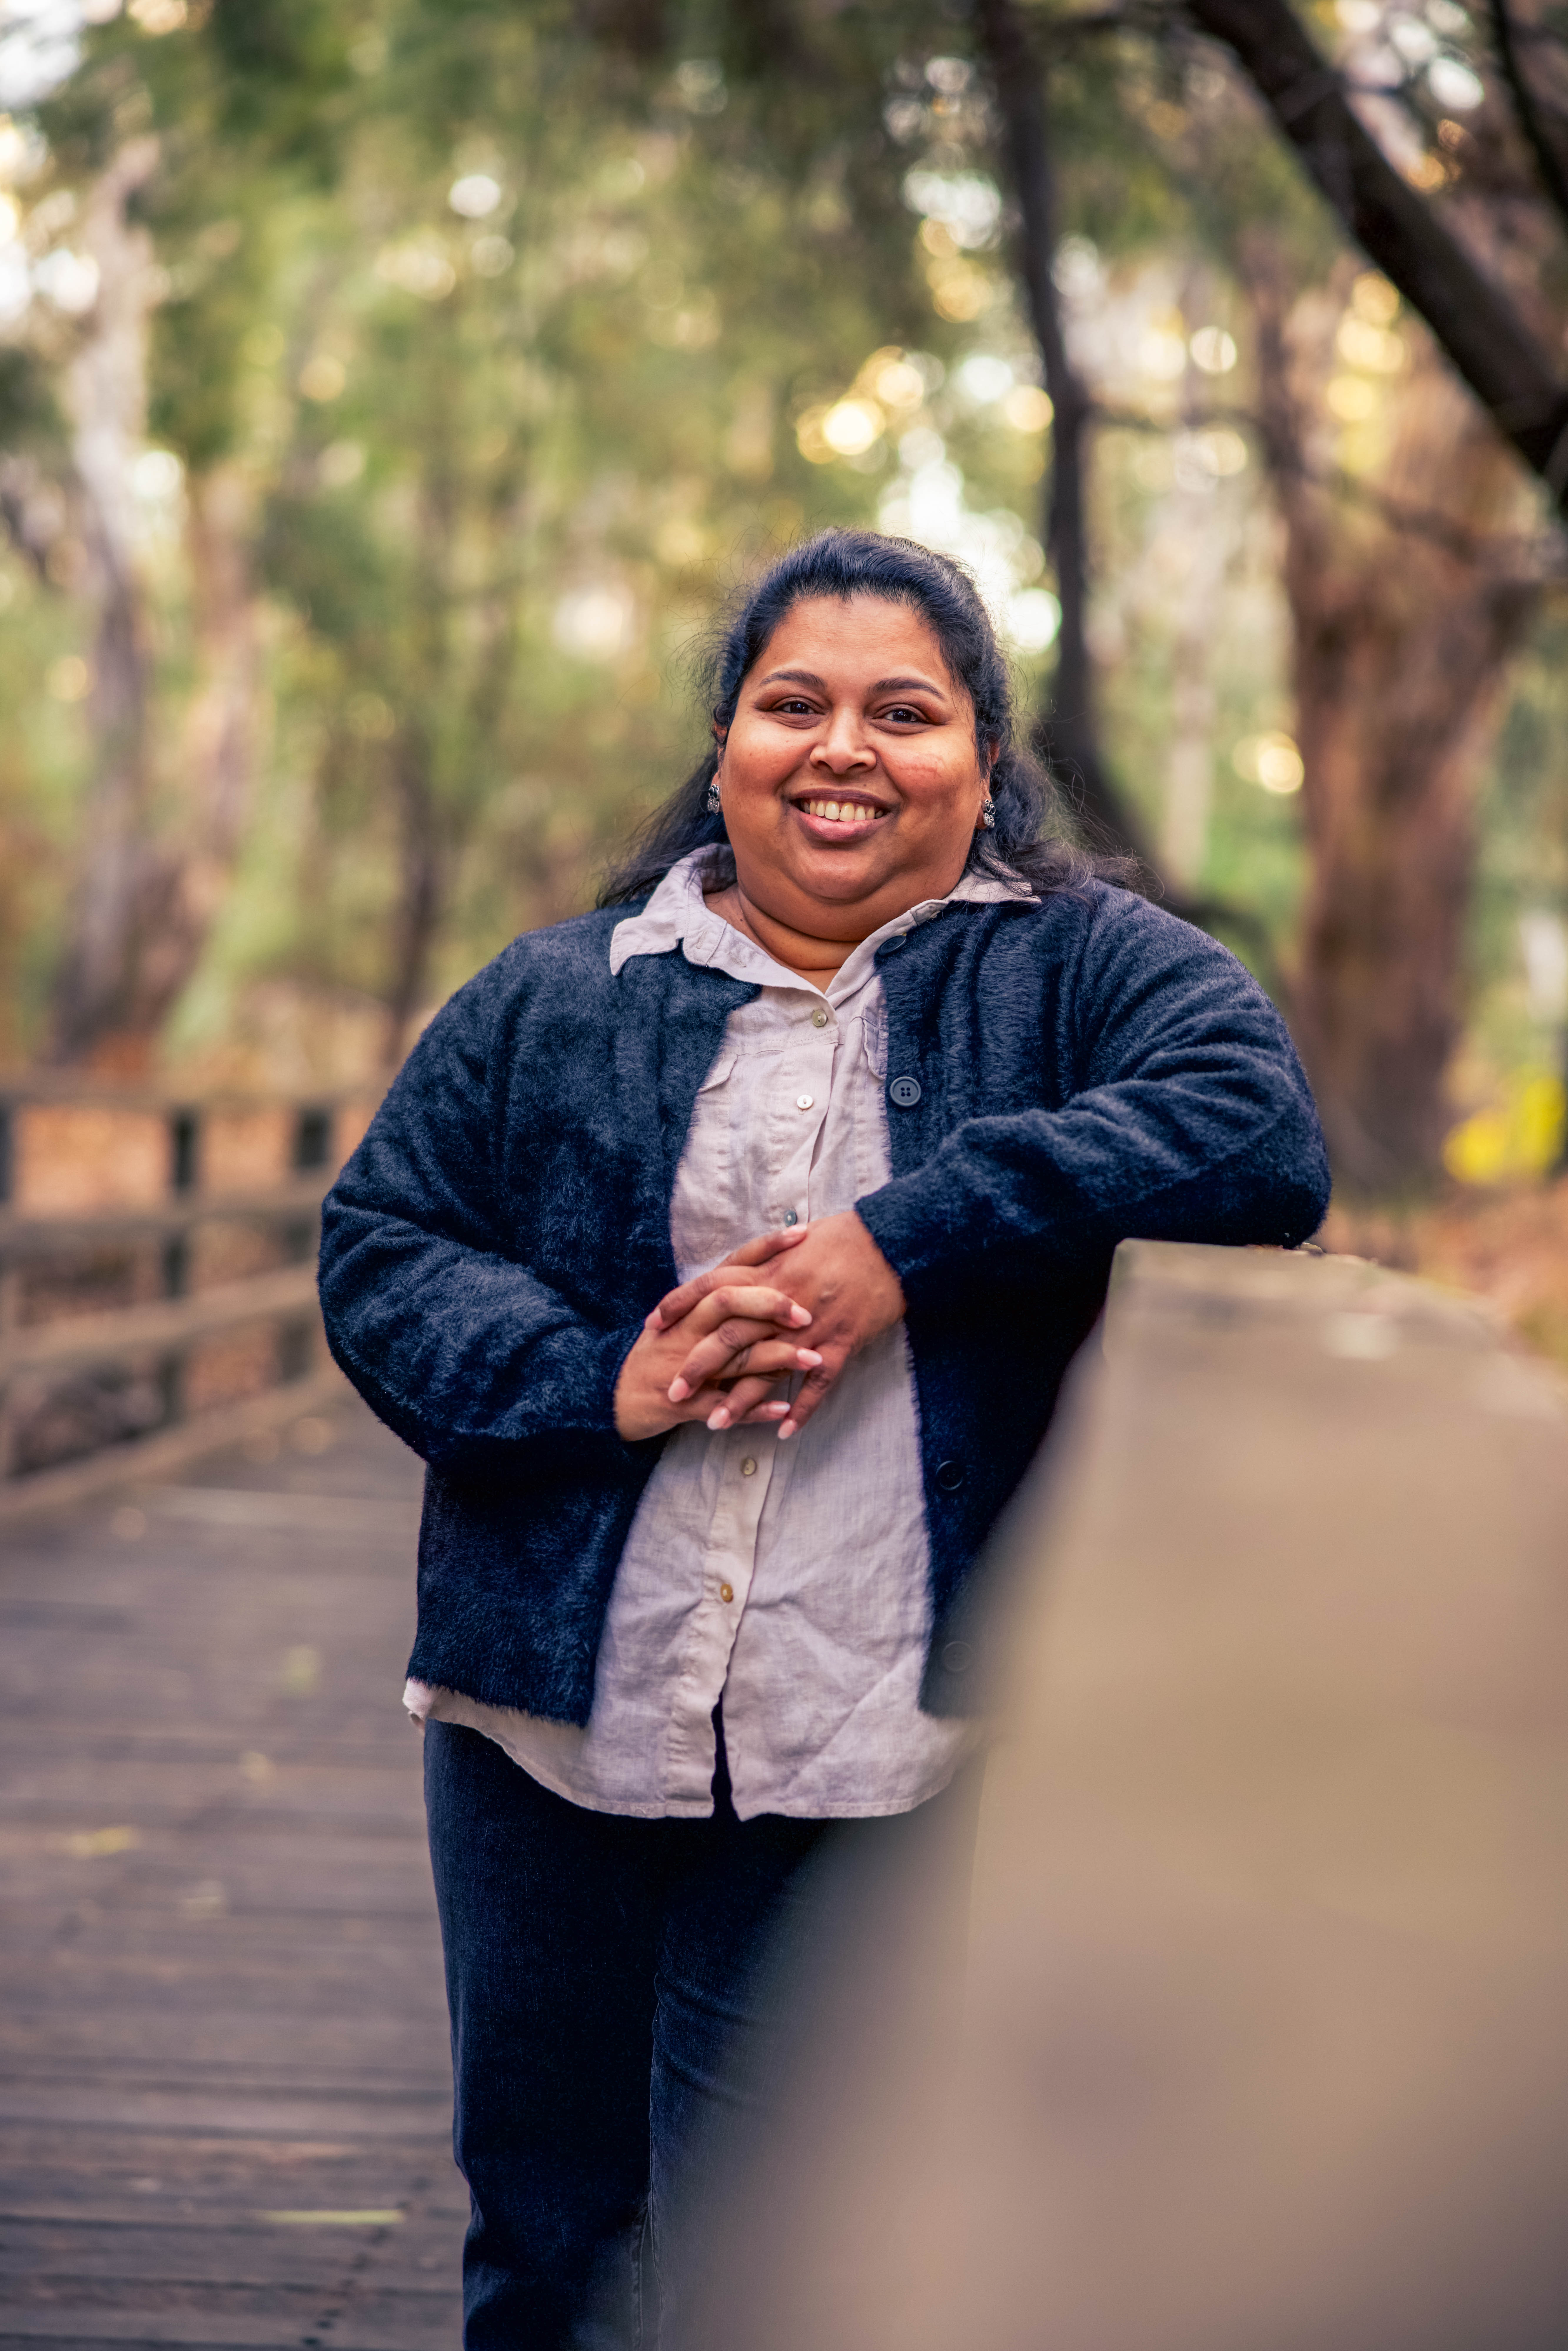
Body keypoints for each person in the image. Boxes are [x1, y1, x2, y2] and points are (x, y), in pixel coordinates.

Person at [317, 528, 1330, 2347]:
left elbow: (1253, 1131)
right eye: (793, 703)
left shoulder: (1073, 970)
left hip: (863, 1728)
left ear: (981, 762)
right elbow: (383, 1240)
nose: (841, 747)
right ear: (723, 748)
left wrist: (901, 1239)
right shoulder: (561, 992)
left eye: (902, 711)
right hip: (546, 1718)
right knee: (546, 2238)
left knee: (770, 2261)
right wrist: (594, 1380)